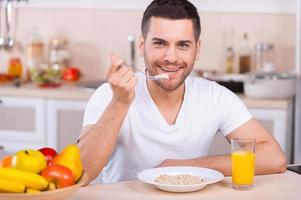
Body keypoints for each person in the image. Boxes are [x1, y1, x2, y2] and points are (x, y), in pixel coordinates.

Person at [77, 0, 286, 184]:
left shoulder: (214, 96)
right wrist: (120, 103)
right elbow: (82, 172)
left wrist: (186, 167)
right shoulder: (111, 95)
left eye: (183, 45)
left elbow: (274, 158)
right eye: (160, 43)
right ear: (142, 46)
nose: (171, 57)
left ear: (197, 49)